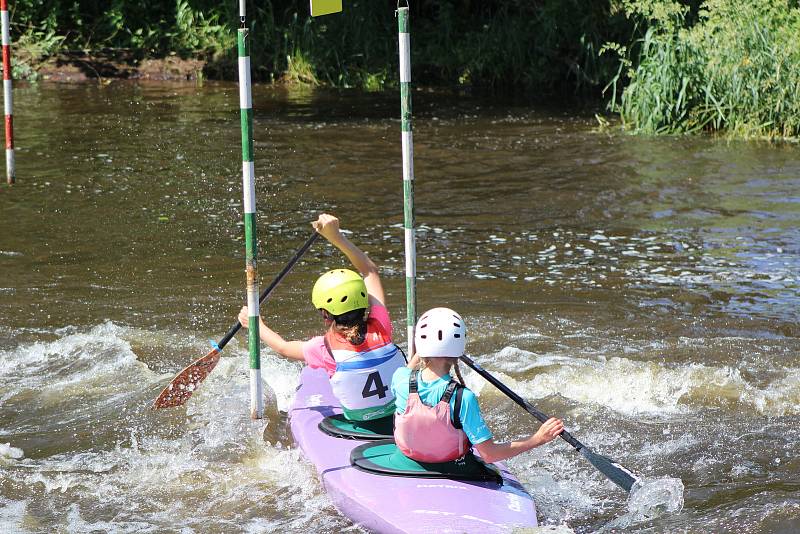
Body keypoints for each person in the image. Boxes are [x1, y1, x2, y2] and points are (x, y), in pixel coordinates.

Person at [238, 213, 405, 421]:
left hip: (362, 423)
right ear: (364, 303)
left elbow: (283, 347)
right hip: (397, 415)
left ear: (326, 315)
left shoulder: (324, 349)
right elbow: (370, 271)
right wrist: (336, 237)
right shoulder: (382, 325)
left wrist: (255, 324)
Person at [391, 307, 564, 464]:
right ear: (459, 347)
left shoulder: (400, 378)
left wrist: (424, 349)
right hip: (451, 464)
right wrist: (538, 438)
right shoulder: (462, 398)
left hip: (408, 457)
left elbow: (411, 369)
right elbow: (489, 455)